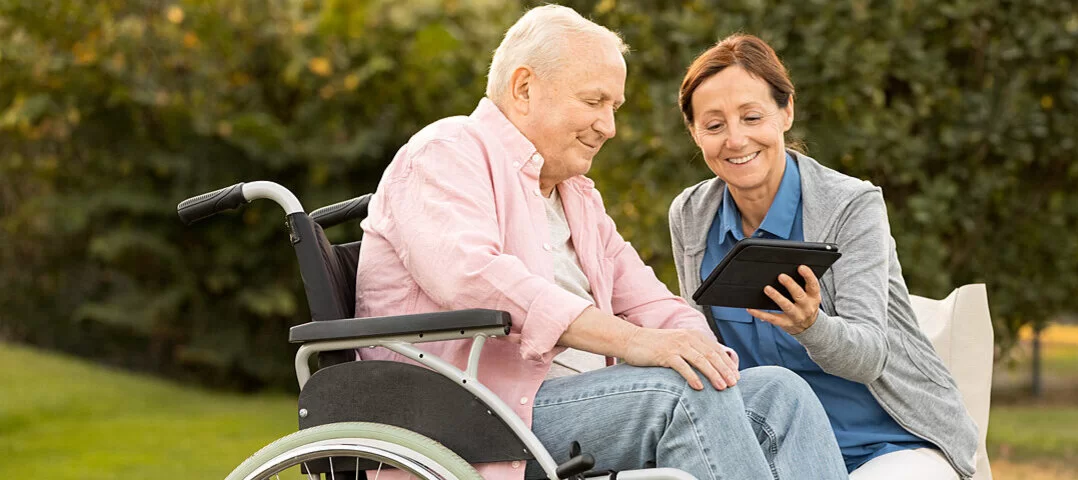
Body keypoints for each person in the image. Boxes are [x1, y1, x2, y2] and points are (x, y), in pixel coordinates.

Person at [354, 8, 848, 480]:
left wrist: (697, 346)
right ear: (524, 88)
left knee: (781, 392)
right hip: (476, 411)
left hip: (572, 403)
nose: (608, 127)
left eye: (613, 108)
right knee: (684, 393)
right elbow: (473, 278)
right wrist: (635, 342)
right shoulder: (447, 152)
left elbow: (650, 299)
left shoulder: (575, 196)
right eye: (594, 102)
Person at [668, 34, 982, 479]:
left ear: (786, 111)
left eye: (752, 116)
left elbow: (870, 355)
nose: (735, 140)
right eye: (714, 125)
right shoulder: (690, 214)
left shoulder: (850, 205)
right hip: (769, 446)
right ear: (695, 132)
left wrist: (811, 327)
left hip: (885, 443)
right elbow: (705, 344)